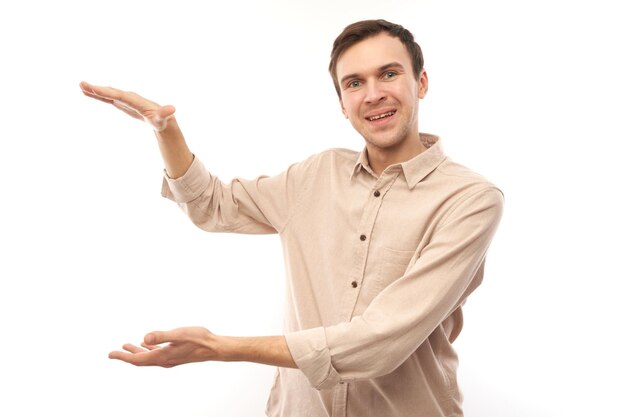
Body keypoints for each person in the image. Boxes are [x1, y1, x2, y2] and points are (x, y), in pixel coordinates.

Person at [80, 19, 503, 417]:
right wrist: (165, 130)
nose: (372, 94)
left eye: (389, 74)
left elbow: (378, 342)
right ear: (342, 103)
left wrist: (221, 347)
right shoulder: (315, 175)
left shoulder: (470, 199)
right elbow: (212, 206)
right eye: (354, 83)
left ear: (421, 82)